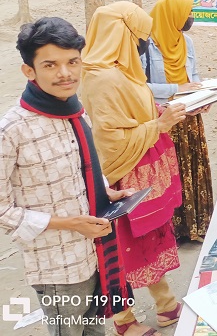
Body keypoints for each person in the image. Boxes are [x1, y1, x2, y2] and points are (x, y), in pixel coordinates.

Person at [0, 17, 133, 336]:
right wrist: (69, 223)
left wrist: (105, 193)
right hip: (58, 267)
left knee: (93, 331)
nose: (65, 73)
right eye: (50, 64)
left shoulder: (75, 110)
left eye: (72, 61)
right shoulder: (12, 131)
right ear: (29, 71)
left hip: (97, 253)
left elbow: (80, 169)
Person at [81, 1, 187, 336]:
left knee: (151, 239)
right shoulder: (101, 78)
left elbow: (136, 109)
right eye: (141, 37)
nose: (144, 45)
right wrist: (159, 125)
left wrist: (161, 111)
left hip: (145, 167)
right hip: (123, 175)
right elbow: (110, 138)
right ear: (122, 35)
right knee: (122, 247)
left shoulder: (121, 70)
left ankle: (166, 304)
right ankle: (124, 320)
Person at [142, 0, 215, 243]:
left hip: (189, 116)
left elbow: (193, 77)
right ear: (171, 15)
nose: (190, 18)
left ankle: (193, 227)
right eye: (187, 13)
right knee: (167, 174)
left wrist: (203, 98)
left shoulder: (187, 42)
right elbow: (139, 86)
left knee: (191, 168)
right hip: (163, 119)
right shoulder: (145, 44)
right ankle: (169, 232)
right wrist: (176, 89)